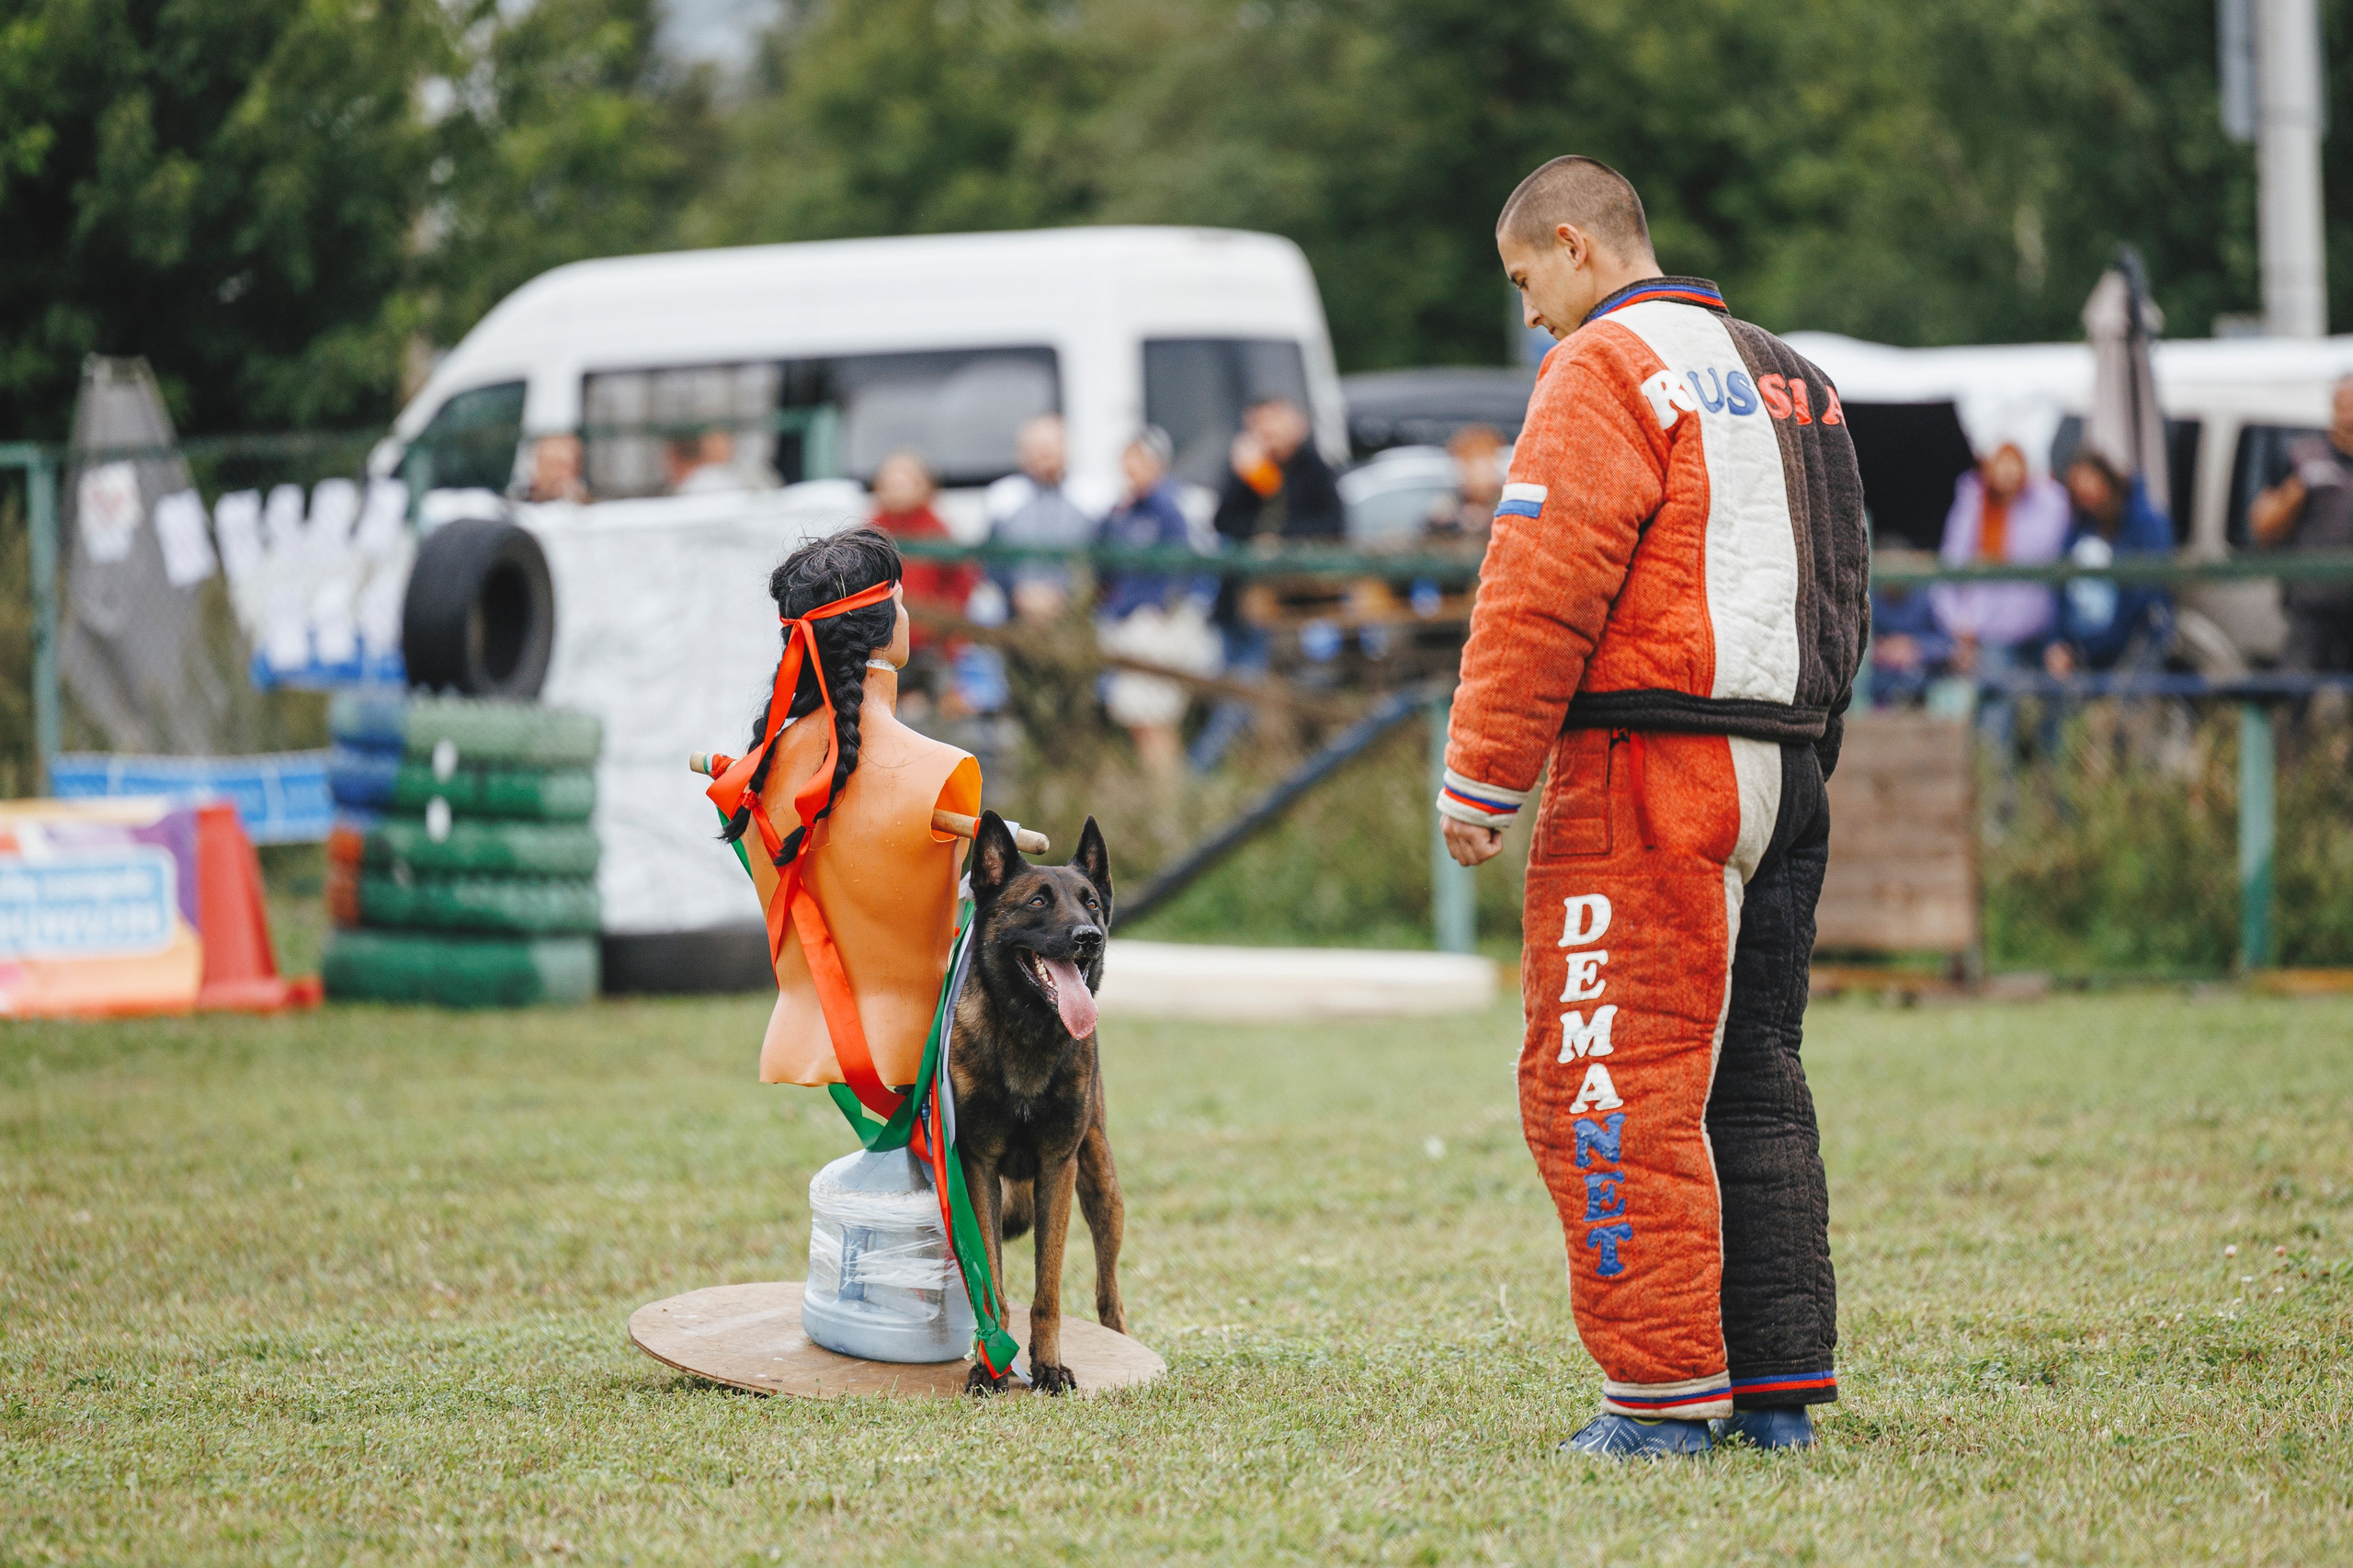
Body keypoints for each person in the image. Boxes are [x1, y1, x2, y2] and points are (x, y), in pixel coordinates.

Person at [1438, 155, 1869, 1459]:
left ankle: (1665, 1395)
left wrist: (1483, 776)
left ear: (1576, 245)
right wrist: (1809, 747)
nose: (1529, 316)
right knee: (1754, 1077)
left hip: (1649, 769)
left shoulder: (1602, 368)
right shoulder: (1797, 373)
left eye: (1526, 281)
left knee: (1604, 1080)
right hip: (1788, 769)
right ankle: (1780, 1389)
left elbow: (1543, 581)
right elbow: (1849, 579)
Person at [1191, 398, 1347, 769]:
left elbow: (1330, 524)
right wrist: (1251, 479)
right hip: (1240, 603)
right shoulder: (1250, 473)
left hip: (1294, 606)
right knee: (1238, 691)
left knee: (1255, 693)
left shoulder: (1315, 471)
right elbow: (1224, 521)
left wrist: (1281, 543)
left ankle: (1202, 769)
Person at [1096, 427, 1218, 775]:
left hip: (1156, 625)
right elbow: (1101, 563)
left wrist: (1162, 610)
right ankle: (1159, 795)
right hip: (1124, 621)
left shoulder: (1171, 508)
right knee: (1140, 718)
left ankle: (1166, 796)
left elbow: (1187, 569)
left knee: (1155, 716)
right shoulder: (1121, 512)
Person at [1927, 442, 2068, 734]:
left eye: (2012, 462)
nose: (2006, 472)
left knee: (2051, 716)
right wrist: (1958, 623)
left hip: (2044, 630)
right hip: (1992, 634)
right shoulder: (1974, 506)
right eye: (1999, 462)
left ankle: (2045, 780)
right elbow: (1949, 570)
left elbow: (2056, 550)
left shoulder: (2047, 503)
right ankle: (1996, 780)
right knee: (1996, 717)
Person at [2248, 376, 2353, 673]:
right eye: (2343, 407)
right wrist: (2294, 495)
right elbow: (2262, 525)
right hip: (2313, 605)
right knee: (2297, 690)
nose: (2349, 417)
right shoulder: (2303, 456)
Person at [868, 451, 981, 719]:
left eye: (907, 481)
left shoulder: (938, 532)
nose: (898, 489)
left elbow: (960, 590)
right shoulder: (870, 532)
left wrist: (949, 639)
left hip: (932, 647)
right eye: (892, 482)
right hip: (881, 647)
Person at [2049, 450, 2172, 675]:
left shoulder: (2147, 524)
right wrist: (2060, 641)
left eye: (2089, 481)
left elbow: (2145, 591)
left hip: (2134, 646)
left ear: (2107, 479)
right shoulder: (2079, 528)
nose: (2085, 492)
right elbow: (2060, 586)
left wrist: (2101, 644)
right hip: (2086, 651)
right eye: (2077, 488)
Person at [983, 415, 1099, 624]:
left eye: (1049, 446)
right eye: (1035, 447)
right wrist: (1017, 593)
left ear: (1065, 448)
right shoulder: (1003, 497)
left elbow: (1101, 562)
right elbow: (990, 559)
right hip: (1016, 613)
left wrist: (1066, 596)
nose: (1043, 454)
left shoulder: (1093, 498)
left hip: (1079, 614)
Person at [1427, 425, 1506, 540]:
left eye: (1488, 462)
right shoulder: (1449, 504)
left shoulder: (1506, 500)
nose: (1483, 472)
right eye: (1473, 464)